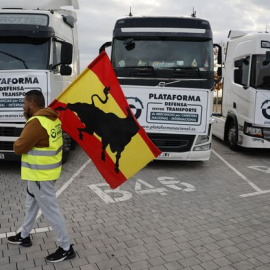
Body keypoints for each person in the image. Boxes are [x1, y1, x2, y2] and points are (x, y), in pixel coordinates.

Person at [7, 90, 76, 263]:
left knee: (51, 211)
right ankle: (24, 235)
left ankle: (66, 248)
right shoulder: (53, 118)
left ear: (31, 103)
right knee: (31, 205)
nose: (23, 107)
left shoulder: (36, 123)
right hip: (45, 173)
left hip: (40, 175)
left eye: (24, 103)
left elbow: (19, 147)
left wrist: (18, 141)